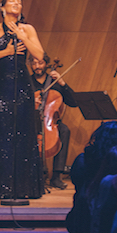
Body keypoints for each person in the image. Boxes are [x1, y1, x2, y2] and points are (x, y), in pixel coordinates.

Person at [0, 0, 45, 200]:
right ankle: (1, 187)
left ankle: (25, 187)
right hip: (0, 86)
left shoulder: (28, 29)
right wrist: (7, 51)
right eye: (12, 1)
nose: (16, 4)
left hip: (23, 84)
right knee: (2, 131)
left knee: (24, 132)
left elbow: (39, 55)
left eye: (19, 2)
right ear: (2, 7)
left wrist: (22, 36)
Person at [29, 53, 78, 189]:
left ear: (46, 64)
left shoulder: (55, 82)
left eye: (40, 63)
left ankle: (56, 176)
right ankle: (34, 174)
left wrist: (63, 83)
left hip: (50, 121)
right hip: (31, 120)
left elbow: (74, 102)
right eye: (34, 63)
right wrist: (30, 101)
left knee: (64, 131)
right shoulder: (27, 82)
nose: (37, 66)